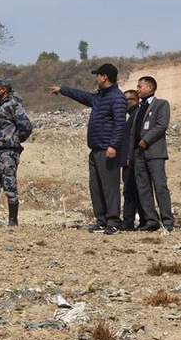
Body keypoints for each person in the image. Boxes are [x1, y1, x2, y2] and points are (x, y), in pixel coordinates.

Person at [50, 63, 127, 235]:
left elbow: (120, 124)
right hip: (95, 149)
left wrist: (113, 145)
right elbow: (82, 96)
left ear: (104, 77)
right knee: (96, 187)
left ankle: (113, 222)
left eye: (97, 75)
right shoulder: (100, 97)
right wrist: (63, 89)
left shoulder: (117, 98)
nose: (96, 78)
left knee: (110, 187)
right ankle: (101, 221)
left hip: (108, 150)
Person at [0, 79, 33, 226]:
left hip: (8, 152)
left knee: (9, 185)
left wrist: (15, 139)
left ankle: (12, 221)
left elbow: (27, 126)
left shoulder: (13, 105)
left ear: (4, 89)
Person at [130, 76, 174, 231]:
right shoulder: (138, 108)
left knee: (160, 187)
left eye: (140, 86)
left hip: (154, 153)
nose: (137, 89)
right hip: (139, 154)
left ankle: (167, 222)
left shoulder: (161, 104)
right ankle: (151, 221)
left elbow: (161, 125)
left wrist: (146, 140)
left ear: (150, 88)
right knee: (143, 188)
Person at [122, 89, 146, 231]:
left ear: (133, 101)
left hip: (133, 159)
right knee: (133, 190)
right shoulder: (133, 115)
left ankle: (130, 221)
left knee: (132, 190)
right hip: (131, 158)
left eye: (125, 101)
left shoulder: (136, 115)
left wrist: (128, 158)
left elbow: (133, 139)